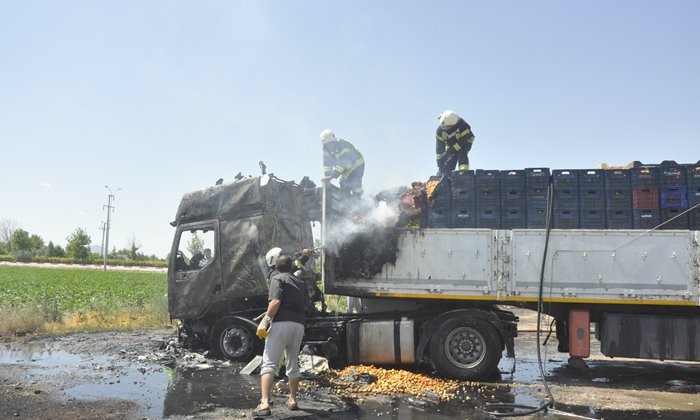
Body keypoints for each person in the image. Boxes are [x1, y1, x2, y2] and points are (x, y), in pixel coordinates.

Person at [253, 254, 307, 417]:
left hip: (281, 324)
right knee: (292, 363)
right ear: (291, 267)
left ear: (276, 267)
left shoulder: (277, 279)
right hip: (298, 325)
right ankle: (292, 400)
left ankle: (264, 404)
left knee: (269, 364)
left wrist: (265, 321)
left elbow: (275, 302)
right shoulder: (299, 282)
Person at [320, 129, 365, 200]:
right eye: (327, 144)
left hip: (357, 165)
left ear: (334, 141)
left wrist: (331, 176)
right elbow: (327, 165)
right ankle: (347, 205)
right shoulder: (326, 151)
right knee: (343, 185)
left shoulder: (343, 145)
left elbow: (342, 163)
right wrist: (327, 177)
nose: (329, 146)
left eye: (330, 143)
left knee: (355, 184)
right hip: (345, 168)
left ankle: (359, 202)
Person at [435, 110, 475, 177]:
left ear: (453, 125)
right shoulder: (440, 131)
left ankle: (463, 173)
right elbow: (439, 148)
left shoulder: (464, 126)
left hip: (465, 142)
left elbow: (462, 143)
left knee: (461, 153)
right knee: (449, 160)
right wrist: (440, 166)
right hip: (451, 143)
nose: (445, 128)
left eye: (447, 127)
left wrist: (450, 151)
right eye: (443, 126)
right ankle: (447, 176)